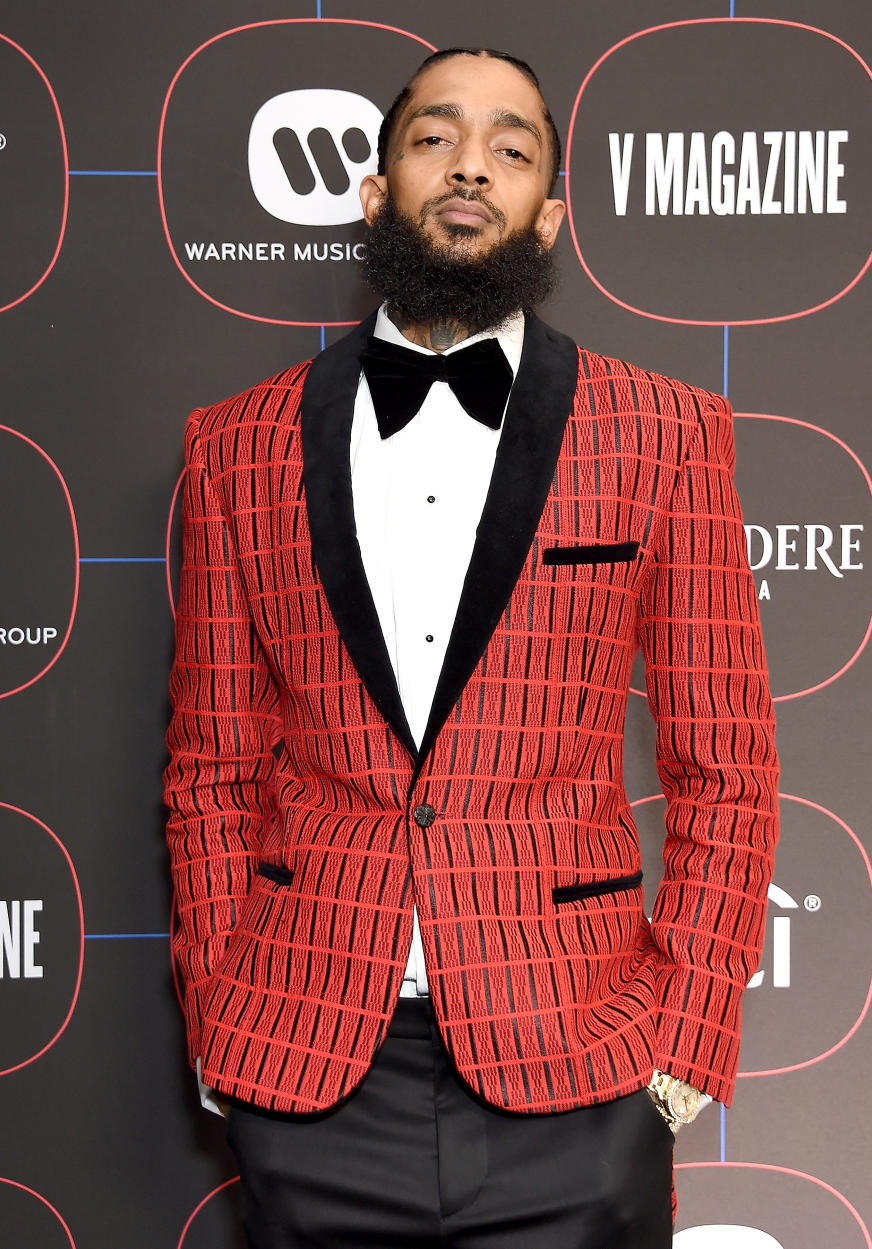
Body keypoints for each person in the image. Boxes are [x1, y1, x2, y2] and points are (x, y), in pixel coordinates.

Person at [163, 46, 779, 1249]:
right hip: (306, 1069)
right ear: (375, 187)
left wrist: (689, 1028)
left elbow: (728, 764)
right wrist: (222, 1019)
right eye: (435, 138)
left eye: (512, 149)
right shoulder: (233, 449)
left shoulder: (668, 434)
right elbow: (209, 773)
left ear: (548, 213)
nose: (470, 169)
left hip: (581, 1068)